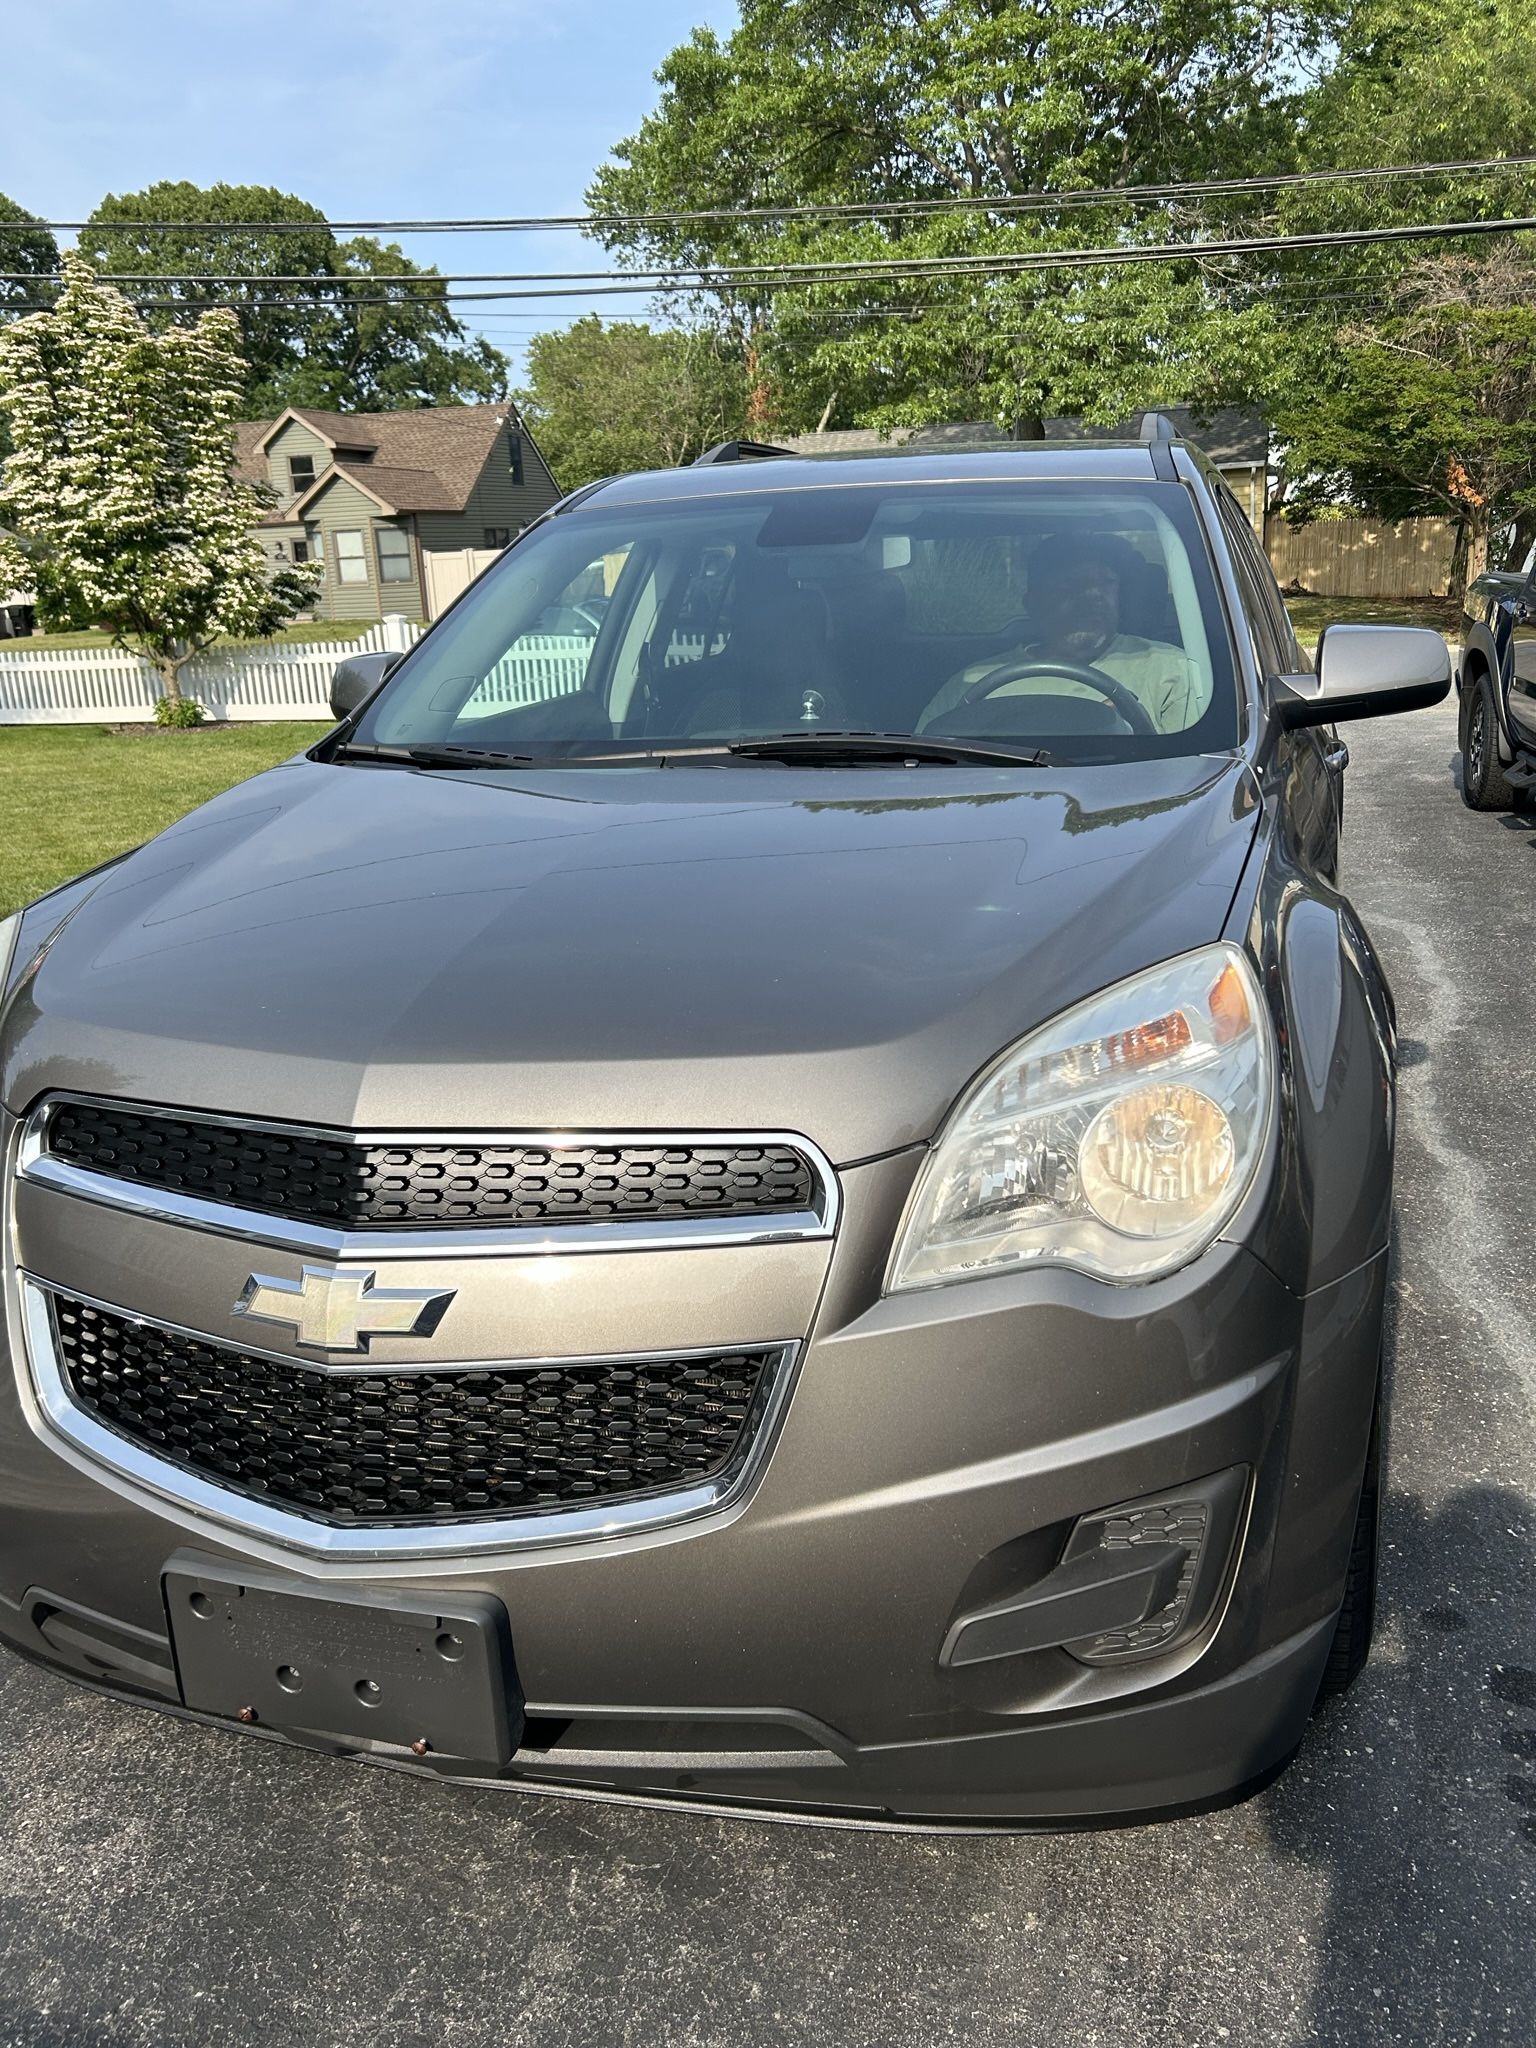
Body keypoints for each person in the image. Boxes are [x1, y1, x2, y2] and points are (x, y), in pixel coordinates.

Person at [917, 531, 1207, 734]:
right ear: (1033, 603)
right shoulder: (971, 684)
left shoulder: (1171, 670)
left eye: (1106, 583)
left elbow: (1191, 774)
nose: (1094, 595)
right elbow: (925, 768)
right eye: (1073, 585)